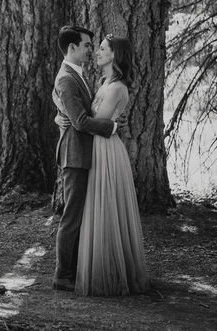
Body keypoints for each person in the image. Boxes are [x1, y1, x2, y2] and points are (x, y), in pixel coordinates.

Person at [74, 34, 150, 296]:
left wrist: (73, 116)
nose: (97, 52)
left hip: (105, 148)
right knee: (98, 204)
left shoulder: (117, 87)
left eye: (103, 49)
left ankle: (110, 272)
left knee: (105, 205)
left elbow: (99, 122)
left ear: (115, 54)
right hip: (99, 144)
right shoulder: (104, 81)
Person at [51, 26, 118, 292]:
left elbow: (71, 113)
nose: (91, 49)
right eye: (88, 45)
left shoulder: (74, 75)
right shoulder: (67, 79)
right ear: (72, 48)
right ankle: (62, 276)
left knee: (79, 214)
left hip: (82, 152)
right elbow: (78, 121)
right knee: (72, 217)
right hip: (75, 154)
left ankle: (76, 270)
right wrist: (111, 128)